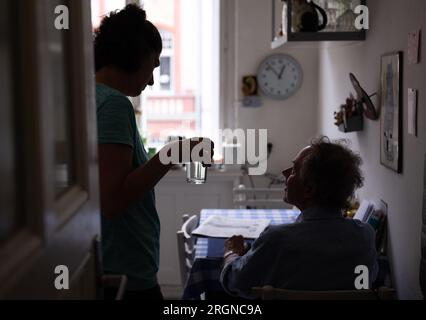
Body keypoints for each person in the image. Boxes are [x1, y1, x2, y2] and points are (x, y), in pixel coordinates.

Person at [94, 4, 213, 300]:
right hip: (126, 270)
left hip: (112, 264)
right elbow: (113, 200)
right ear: (138, 55)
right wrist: (172, 153)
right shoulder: (113, 105)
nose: (150, 80)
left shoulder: (91, 97)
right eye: (154, 64)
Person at [220, 137, 378, 299]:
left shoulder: (276, 239)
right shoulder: (365, 235)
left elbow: (235, 282)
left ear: (309, 189)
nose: (284, 173)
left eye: (294, 170)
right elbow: (366, 283)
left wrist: (231, 253)